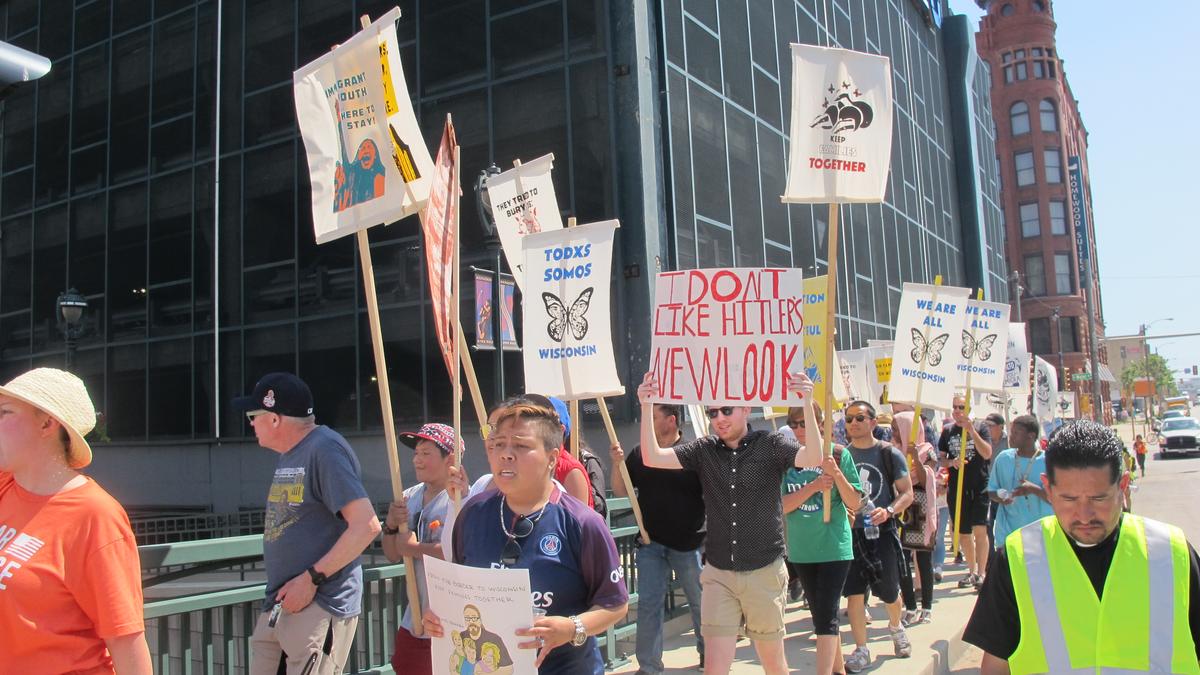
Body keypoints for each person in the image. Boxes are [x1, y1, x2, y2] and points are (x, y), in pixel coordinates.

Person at [964, 420, 1200, 674]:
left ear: (1122, 487)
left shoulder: (1171, 553)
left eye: (1098, 498)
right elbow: (996, 666)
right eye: (1069, 499)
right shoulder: (1017, 558)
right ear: (1048, 488)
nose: (1085, 515)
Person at [636, 371, 823, 675]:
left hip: (763, 571)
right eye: (712, 412)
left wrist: (807, 400)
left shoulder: (771, 444)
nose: (719, 418)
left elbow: (813, 455)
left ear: (746, 409)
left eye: (726, 410)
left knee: (774, 664)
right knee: (714, 669)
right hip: (719, 574)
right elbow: (652, 457)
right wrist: (646, 406)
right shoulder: (703, 450)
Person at [425, 400, 629, 674]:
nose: (505, 455)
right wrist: (441, 619)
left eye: (521, 446)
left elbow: (615, 604)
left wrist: (572, 628)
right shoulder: (472, 514)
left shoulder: (582, 523)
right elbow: (461, 594)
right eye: (498, 444)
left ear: (552, 458)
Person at [0, 368, 153, 674]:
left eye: (5, 412)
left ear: (46, 422)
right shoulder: (7, 486)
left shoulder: (95, 516)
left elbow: (126, 643)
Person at [234, 372, 381, 675]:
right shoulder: (293, 453)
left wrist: (310, 578)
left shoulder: (325, 449)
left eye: (254, 415)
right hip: (281, 603)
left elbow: (366, 525)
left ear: (275, 419)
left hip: (317, 602)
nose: (250, 423)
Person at [610, 403, 706, 674]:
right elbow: (620, 489)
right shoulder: (640, 453)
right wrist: (618, 465)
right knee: (649, 605)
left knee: (699, 602)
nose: (647, 422)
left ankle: (709, 655)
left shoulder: (693, 454)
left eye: (653, 417)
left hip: (689, 545)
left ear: (671, 420)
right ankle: (649, 666)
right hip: (651, 543)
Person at [781, 402, 863, 675]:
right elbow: (782, 505)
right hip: (802, 550)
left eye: (805, 422)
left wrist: (836, 474)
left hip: (833, 547)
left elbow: (855, 501)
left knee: (826, 616)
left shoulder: (838, 454)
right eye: (794, 424)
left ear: (820, 423)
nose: (799, 429)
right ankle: (838, 670)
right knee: (819, 614)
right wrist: (814, 486)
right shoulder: (788, 458)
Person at [839, 400, 915, 673]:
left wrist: (890, 510)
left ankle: (896, 628)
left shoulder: (888, 453)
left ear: (872, 422)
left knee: (890, 591)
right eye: (848, 419)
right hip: (852, 534)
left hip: (882, 532)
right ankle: (861, 649)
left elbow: (907, 492)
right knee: (855, 595)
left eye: (859, 418)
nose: (854, 424)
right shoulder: (841, 456)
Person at [386, 423, 464, 675]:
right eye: (416, 453)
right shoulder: (407, 496)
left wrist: (414, 548)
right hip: (414, 621)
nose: (417, 460)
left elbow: (457, 552)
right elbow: (392, 553)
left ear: (450, 458)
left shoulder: (461, 500)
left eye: (426, 454)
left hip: (450, 622)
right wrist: (389, 525)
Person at [938, 394, 993, 590]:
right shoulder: (947, 432)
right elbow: (941, 458)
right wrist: (951, 463)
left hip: (979, 485)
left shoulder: (981, 427)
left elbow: (987, 453)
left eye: (961, 407)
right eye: (955, 407)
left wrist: (971, 431)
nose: (957, 411)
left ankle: (982, 572)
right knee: (963, 533)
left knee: (980, 529)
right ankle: (971, 571)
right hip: (958, 486)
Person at [892, 411, 938, 626]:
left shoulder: (927, 450)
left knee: (923, 560)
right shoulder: (892, 452)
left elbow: (924, 476)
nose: (893, 433)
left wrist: (914, 458)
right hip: (901, 509)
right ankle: (909, 606)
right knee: (902, 562)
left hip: (920, 510)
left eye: (896, 428)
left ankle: (926, 606)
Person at [987, 415, 1053, 550]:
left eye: (1016, 433)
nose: (1011, 436)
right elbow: (991, 491)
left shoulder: (1049, 461)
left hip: (1041, 537)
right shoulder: (1003, 458)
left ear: (1031, 436)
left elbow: (1057, 499)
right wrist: (999, 496)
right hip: (1007, 535)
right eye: (1011, 432)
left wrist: (1034, 489)